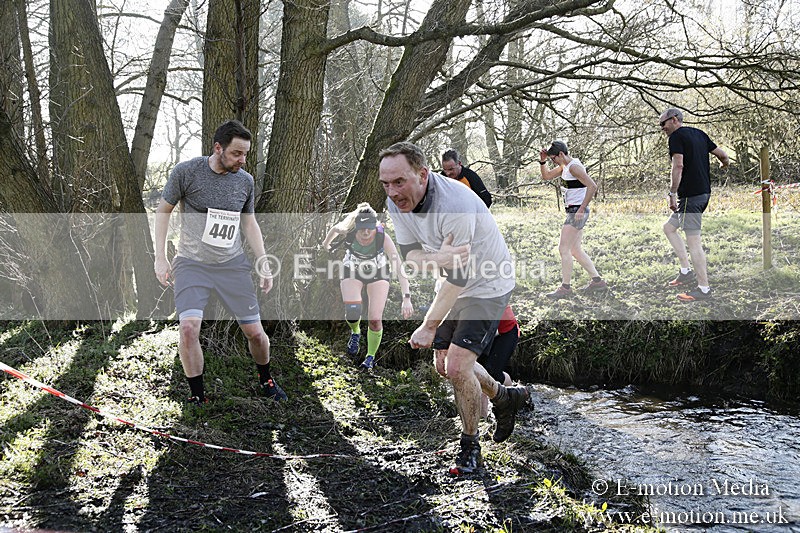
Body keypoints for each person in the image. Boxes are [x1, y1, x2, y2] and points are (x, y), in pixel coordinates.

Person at [379, 141, 528, 476]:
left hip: (488, 284)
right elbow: (412, 258)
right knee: (444, 365)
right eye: (385, 184)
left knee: (459, 367)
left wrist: (429, 325)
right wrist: (438, 259)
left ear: (422, 174)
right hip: (451, 281)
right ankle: (505, 397)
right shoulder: (395, 203)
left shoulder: (455, 205)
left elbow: (458, 280)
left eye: (399, 182)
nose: (392, 191)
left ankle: (470, 448)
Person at [154, 120, 286, 404]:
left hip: (232, 265)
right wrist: (161, 258)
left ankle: (267, 379)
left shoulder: (245, 181)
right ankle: (198, 396)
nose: (242, 160)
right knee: (188, 328)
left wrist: (263, 260)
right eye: (237, 153)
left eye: (246, 154)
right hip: (191, 264)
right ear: (218, 148)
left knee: (256, 333)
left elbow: (249, 223)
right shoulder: (186, 172)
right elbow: (163, 211)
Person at [322, 203, 414, 370]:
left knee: (375, 319)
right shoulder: (348, 230)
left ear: (375, 226)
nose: (365, 233)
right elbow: (335, 229)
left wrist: (406, 297)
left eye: (369, 229)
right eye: (362, 229)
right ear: (356, 226)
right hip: (352, 269)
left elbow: (399, 267)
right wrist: (326, 244)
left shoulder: (382, 237)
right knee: (352, 311)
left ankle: (369, 358)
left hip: (377, 272)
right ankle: (355, 332)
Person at [659, 108, 730, 301]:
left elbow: (678, 165)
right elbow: (723, 155)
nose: (662, 128)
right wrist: (724, 165)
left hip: (690, 197)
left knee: (694, 243)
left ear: (674, 120)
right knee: (669, 228)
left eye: (663, 123)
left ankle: (703, 289)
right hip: (703, 194)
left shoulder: (676, 137)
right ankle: (685, 272)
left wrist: (672, 193)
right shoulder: (699, 134)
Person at [539, 141, 607, 300]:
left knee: (563, 249)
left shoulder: (574, 167)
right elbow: (546, 176)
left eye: (553, 159)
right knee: (575, 250)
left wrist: (582, 208)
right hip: (573, 210)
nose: (553, 162)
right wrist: (542, 161)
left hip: (577, 211)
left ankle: (565, 288)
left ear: (561, 154)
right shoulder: (565, 167)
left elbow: (592, 186)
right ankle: (598, 282)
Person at [478, 305, 520, 419]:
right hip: (484, 332)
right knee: (479, 373)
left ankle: (513, 398)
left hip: (506, 332)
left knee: (490, 373)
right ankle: (482, 419)